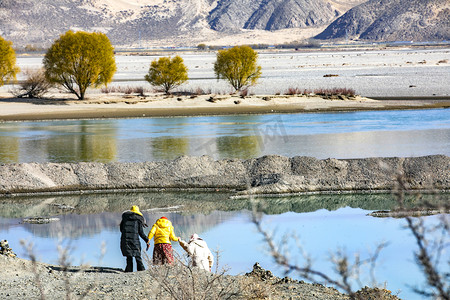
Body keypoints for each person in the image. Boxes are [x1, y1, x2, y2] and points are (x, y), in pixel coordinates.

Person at [120, 205, 149, 272]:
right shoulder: (138, 219)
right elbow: (141, 232)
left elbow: (121, 230)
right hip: (134, 240)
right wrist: (147, 240)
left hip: (125, 239)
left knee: (129, 256)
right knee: (137, 255)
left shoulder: (124, 218)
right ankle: (141, 270)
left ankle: (129, 270)